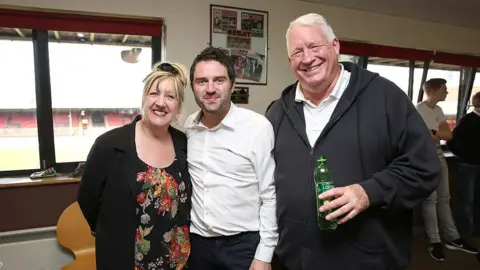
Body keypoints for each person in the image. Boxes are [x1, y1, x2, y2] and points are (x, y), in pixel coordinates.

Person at [265, 13, 441, 270]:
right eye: (297, 52)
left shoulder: (384, 98)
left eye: (314, 46)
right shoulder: (277, 112)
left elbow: (424, 168)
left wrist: (368, 192)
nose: (307, 58)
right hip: (293, 261)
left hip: (366, 261)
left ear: (335, 46)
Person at [77, 62, 192, 270]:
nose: (160, 102)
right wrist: (109, 231)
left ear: (179, 107)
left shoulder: (185, 144)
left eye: (170, 96)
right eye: (154, 93)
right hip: (124, 260)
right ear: (144, 98)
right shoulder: (109, 145)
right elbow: (87, 198)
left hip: (177, 262)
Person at [184, 47, 278, 270]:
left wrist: (264, 255)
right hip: (198, 245)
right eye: (201, 81)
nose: (210, 89)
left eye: (219, 80)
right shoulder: (188, 126)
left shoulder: (257, 127)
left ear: (233, 85)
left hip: (243, 246)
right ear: (193, 88)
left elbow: (270, 195)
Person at [416, 78, 478, 261]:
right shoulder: (419, 110)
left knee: (444, 199)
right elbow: (422, 137)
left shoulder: (439, 110)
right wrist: (436, 133)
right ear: (434, 91)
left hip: (439, 157)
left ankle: (453, 238)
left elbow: (447, 135)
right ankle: (434, 241)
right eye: (444, 89)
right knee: (430, 200)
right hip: (424, 159)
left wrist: (433, 132)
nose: (447, 93)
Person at [449, 92, 480, 238]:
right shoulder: (466, 121)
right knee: (466, 200)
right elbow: (452, 142)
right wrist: (466, 156)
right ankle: (463, 232)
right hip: (467, 166)